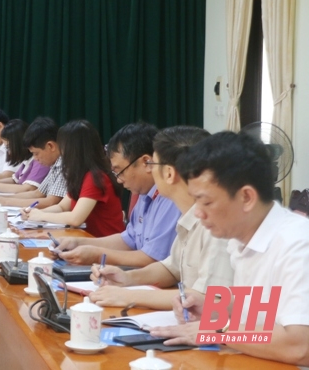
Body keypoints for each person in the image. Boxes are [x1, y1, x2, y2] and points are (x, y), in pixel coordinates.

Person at [148, 132, 309, 366]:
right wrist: (212, 308)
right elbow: (260, 309)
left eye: (206, 202)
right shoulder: (240, 238)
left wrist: (218, 330)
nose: (198, 213)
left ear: (246, 197)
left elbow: (299, 346)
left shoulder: (298, 245)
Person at [89, 126, 234, 309]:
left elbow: (211, 300)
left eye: (154, 164)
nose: (150, 170)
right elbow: (171, 269)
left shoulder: (216, 225)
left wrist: (130, 296)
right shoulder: (189, 215)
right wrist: (127, 278)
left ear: (169, 173)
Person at [52, 123, 181, 267]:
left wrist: (97, 255)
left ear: (146, 162)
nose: (118, 180)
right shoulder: (144, 194)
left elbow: (154, 260)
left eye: (120, 171)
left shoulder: (170, 198)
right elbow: (129, 240)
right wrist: (78, 243)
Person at [24, 120, 124, 238]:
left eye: (63, 148)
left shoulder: (96, 177)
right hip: (88, 241)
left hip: (104, 244)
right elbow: (61, 207)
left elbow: (75, 218)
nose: (62, 154)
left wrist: (41, 216)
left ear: (73, 150)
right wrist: (34, 213)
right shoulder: (81, 175)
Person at [0, 117, 67, 210]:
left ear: (50, 146)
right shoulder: (54, 165)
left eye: (36, 153)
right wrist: (1, 199)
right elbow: (37, 193)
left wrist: (4, 201)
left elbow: (50, 202)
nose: (35, 159)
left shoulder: (64, 165)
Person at [0, 119, 49, 194]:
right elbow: (14, 180)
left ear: (18, 144)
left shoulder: (39, 161)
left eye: (8, 147)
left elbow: (28, 189)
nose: (8, 153)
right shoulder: (26, 162)